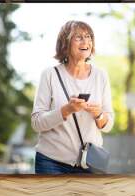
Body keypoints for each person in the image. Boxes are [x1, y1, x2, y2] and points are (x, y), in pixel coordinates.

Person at [31, 20, 114, 174]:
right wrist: (66, 110)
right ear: (65, 43)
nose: (86, 41)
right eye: (79, 37)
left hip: (89, 164)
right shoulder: (50, 75)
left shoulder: (100, 76)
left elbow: (108, 125)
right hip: (51, 162)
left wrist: (99, 114)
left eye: (88, 37)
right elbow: (36, 123)